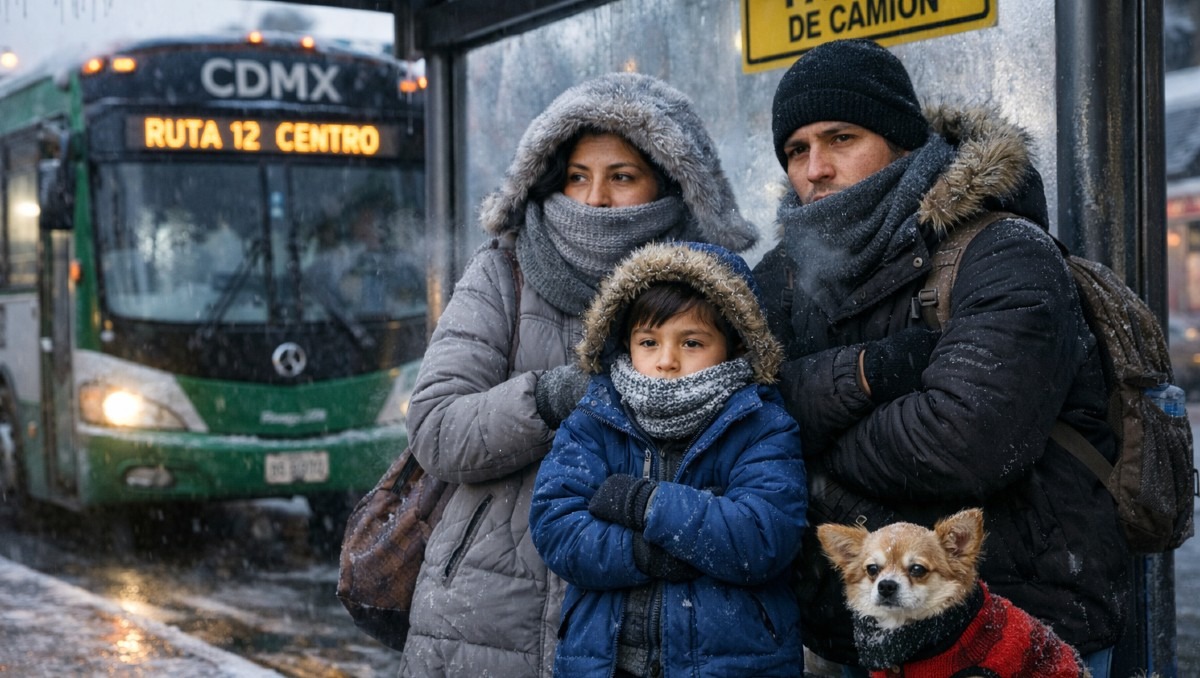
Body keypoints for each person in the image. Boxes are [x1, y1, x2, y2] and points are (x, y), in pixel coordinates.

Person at [750, 38, 1129, 677]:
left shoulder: (1004, 253)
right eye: (796, 149)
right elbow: (739, 407)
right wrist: (867, 376)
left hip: (1014, 635)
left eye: (841, 138)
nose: (814, 168)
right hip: (857, 638)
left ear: (901, 140)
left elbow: (964, 441)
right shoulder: (782, 276)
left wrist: (812, 456)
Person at [400, 72, 758, 677]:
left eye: (621, 177)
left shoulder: (713, 286)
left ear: (669, 185)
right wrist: (551, 396)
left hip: (656, 617)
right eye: (576, 176)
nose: (593, 199)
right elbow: (436, 428)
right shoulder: (503, 273)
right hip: (491, 615)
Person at [529, 241, 808, 678]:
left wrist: (643, 503)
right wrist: (642, 552)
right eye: (649, 341)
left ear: (735, 346)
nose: (666, 361)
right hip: (607, 662)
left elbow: (762, 535)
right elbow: (556, 526)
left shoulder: (760, 425)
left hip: (733, 663)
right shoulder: (595, 418)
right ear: (625, 342)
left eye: (692, 342)